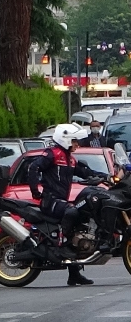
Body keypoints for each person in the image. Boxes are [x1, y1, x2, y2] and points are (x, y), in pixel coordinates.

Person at [29, 122, 104, 285]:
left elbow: (85, 172)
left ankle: (74, 273)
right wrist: (35, 191)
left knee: (81, 218)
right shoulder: (52, 154)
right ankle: (61, 245)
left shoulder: (70, 159)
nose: (77, 144)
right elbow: (33, 168)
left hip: (60, 201)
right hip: (50, 201)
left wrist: (104, 177)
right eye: (75, 141)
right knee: (72, 212)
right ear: (66, 140)